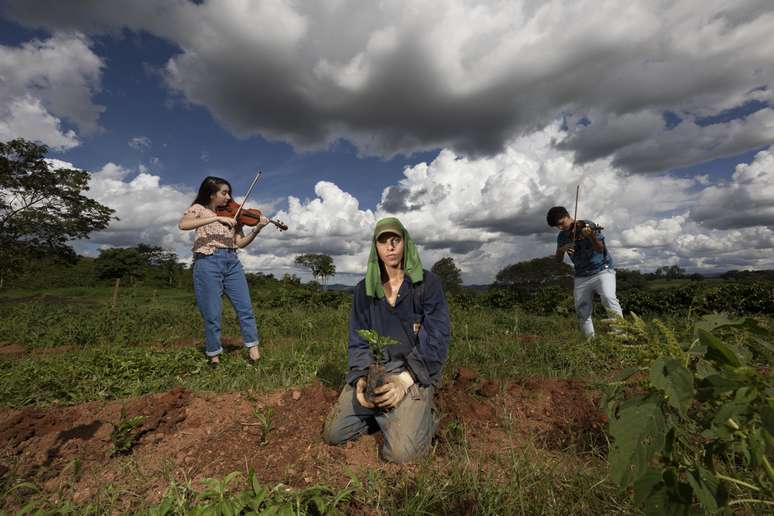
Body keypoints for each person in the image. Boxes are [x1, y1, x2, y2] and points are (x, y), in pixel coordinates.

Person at [322, 217, 451, 463]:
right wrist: (360, 379)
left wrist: (404, 380)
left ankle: (424, 415)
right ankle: (386, 416)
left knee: (402, 455)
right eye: (383, 242)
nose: (390, 247)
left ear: (406, 244)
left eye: (396, 240)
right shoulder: (364, 290)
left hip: (413, 372)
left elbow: (437, 337)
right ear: (376, 248)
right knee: (334, 434)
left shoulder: (427, 284)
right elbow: (358, 340)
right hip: (375, 371)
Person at [178, 176, 269, 366]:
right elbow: (183, 224)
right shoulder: (199, 209)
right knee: (212, 313)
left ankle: (254, 353)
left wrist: (257, 229)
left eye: (229, 193)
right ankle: (214, 356)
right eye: (224, 193)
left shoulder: (233, 216)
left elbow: (240, 243)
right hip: (208, 262)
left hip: (232, 261)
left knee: (245, 309)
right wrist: (217, 217)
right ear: (211, 194)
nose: (229, 197)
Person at [546, 206, 623, 337]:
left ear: (568, 216)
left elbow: (600, 249)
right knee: (582, 308)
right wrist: (562, 249)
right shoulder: (562, 237)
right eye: (556, 226)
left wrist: (592, 235)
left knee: (609, 298)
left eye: (561, 224)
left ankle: (622, 336)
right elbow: (558, 260)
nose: (560, 228)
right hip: (581, 274)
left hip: (602, 269)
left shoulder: (587, 224)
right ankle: (590, 340)